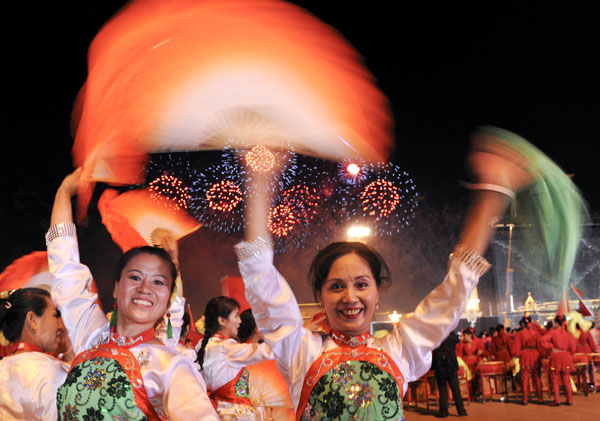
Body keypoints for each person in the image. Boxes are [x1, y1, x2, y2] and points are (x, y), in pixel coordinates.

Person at [235, 131, 532, 418]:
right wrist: (259, 179)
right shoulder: (301, 350)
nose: (350, 297)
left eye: (361, 284)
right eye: (336, 286)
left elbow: (453, 293)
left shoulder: (399, 349)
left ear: (377, 294)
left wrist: (494, 194)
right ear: (321, 297)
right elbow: (261, 276)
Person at [47, 169, 218, 420]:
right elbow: (65, 268)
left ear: (168, 298)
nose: (145, 288)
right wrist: (63, 193)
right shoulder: (91, 334)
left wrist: (175, 265)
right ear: (117, 288)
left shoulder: (171, 366)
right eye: (135, 277)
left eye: (158, 282)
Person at [197, 296, 274, 419]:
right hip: (236, 414)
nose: (239, 321)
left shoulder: (202, 346)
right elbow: (265, 352)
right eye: (236, 316)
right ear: (222, 321)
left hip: (215, 412)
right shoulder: (226, 348)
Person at [0, 288, 69, 420]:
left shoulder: (2, 367)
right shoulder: (51, 370)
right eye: (55, 315)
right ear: (32, 320)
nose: (59, 325)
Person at [541, 315, 576, 406]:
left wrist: (551, 347)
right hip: (566, 356)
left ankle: (557, 400)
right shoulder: (568, 334)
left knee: (555, 379)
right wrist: (566, 352)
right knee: (566, 379)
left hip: (556, 357)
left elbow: (543, 341)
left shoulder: (552, 332)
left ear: (556, 323)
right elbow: (573, 348)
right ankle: (569, 400)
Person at [431, 332, 468, 417]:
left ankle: (443, 411)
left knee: (443, 390)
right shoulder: (451, 336)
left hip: (440, 367)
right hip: (451, 366)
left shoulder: (435, 336)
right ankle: (461, 410)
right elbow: (457, 340)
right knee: (456, 390)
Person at [511, 315, 543, 405]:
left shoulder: (519, 334)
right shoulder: (536, 334)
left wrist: (520, 353)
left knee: (525, 378)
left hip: (525, 356)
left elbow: (515, 350)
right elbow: (540, 347)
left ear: (522, 324)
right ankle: (540, 398)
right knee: (537, 377)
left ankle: (525, 399)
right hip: (535, 355)